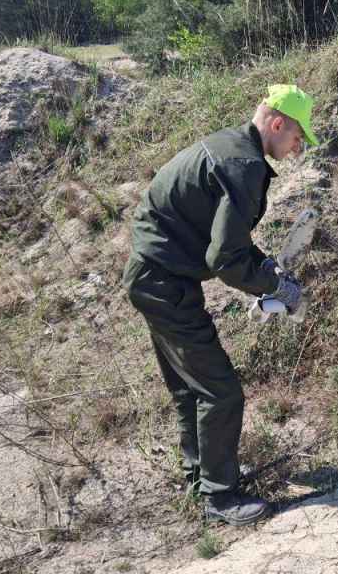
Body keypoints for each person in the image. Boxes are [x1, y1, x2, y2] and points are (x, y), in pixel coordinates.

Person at [123, 84, 318, 526]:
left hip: (157, 275)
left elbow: (227, 242)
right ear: (277, 123)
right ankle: (221, 499)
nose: (297, 149)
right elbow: (224, 260)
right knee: (221, 391)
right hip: (165, 282)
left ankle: (202, 479)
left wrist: (268, 271)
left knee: (190, 388)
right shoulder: (244, 166)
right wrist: (276, 285)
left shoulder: (229, 147)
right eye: (296, 138)